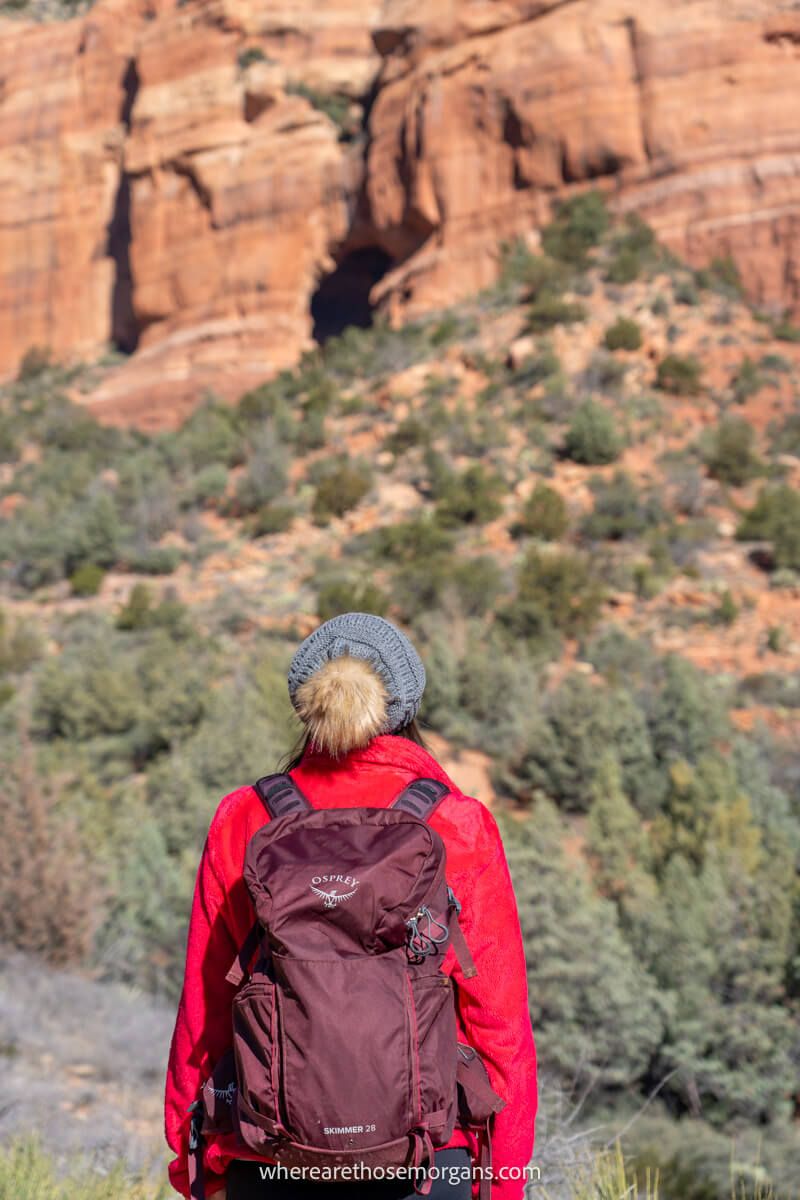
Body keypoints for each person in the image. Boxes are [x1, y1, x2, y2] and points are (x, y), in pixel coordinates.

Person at [165, 612, 538, 1200]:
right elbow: (501, 1023)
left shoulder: (243, 817)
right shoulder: (456, 823)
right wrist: (506, 1178)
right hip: (429, 1161)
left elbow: (206, 1007)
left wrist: (201, 1163)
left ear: (306, 705)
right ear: (405, 705)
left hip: (267, 1159)